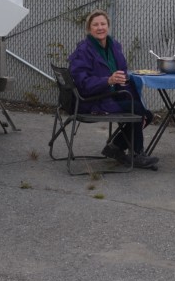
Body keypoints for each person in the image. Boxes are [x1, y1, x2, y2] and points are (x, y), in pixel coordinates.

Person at [68, 9, 159, 169]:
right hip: (92, 101)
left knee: (146, 114)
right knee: (137, 110)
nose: (100, 28)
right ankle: (137, 154)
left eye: (103, 24)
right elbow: (83, 84)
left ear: (108, 26)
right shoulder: (83, 51)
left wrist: (122, 81)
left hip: (112, 96)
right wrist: (108, 80)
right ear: (89, 29)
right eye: (95, 25)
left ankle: (115, 147)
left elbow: (122, 72)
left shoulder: (114, 46)